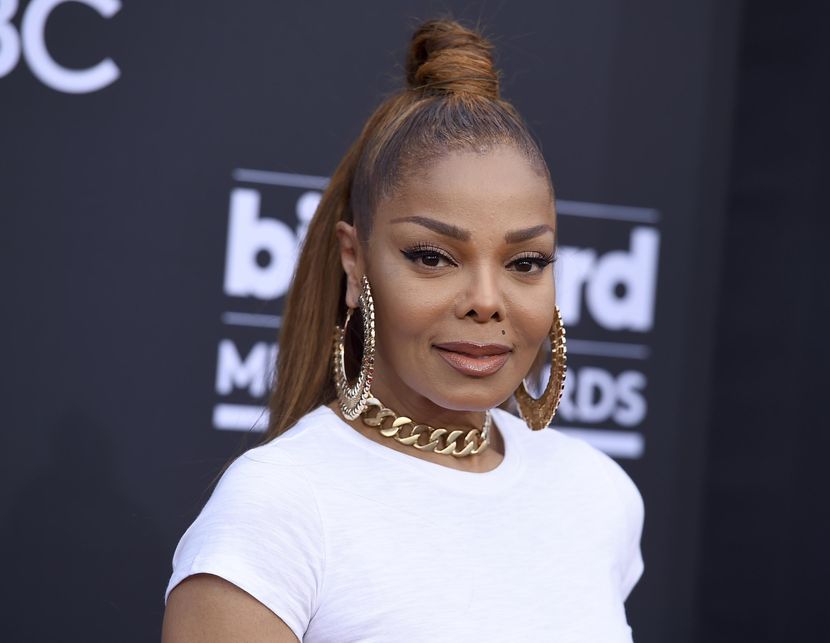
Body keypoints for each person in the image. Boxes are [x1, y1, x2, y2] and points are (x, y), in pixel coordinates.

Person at [162, 18, 644, 643]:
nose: (485, 302)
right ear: (354, 257)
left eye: (526, 263)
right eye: (431, 257)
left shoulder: (596, 495)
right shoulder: (279, 508)